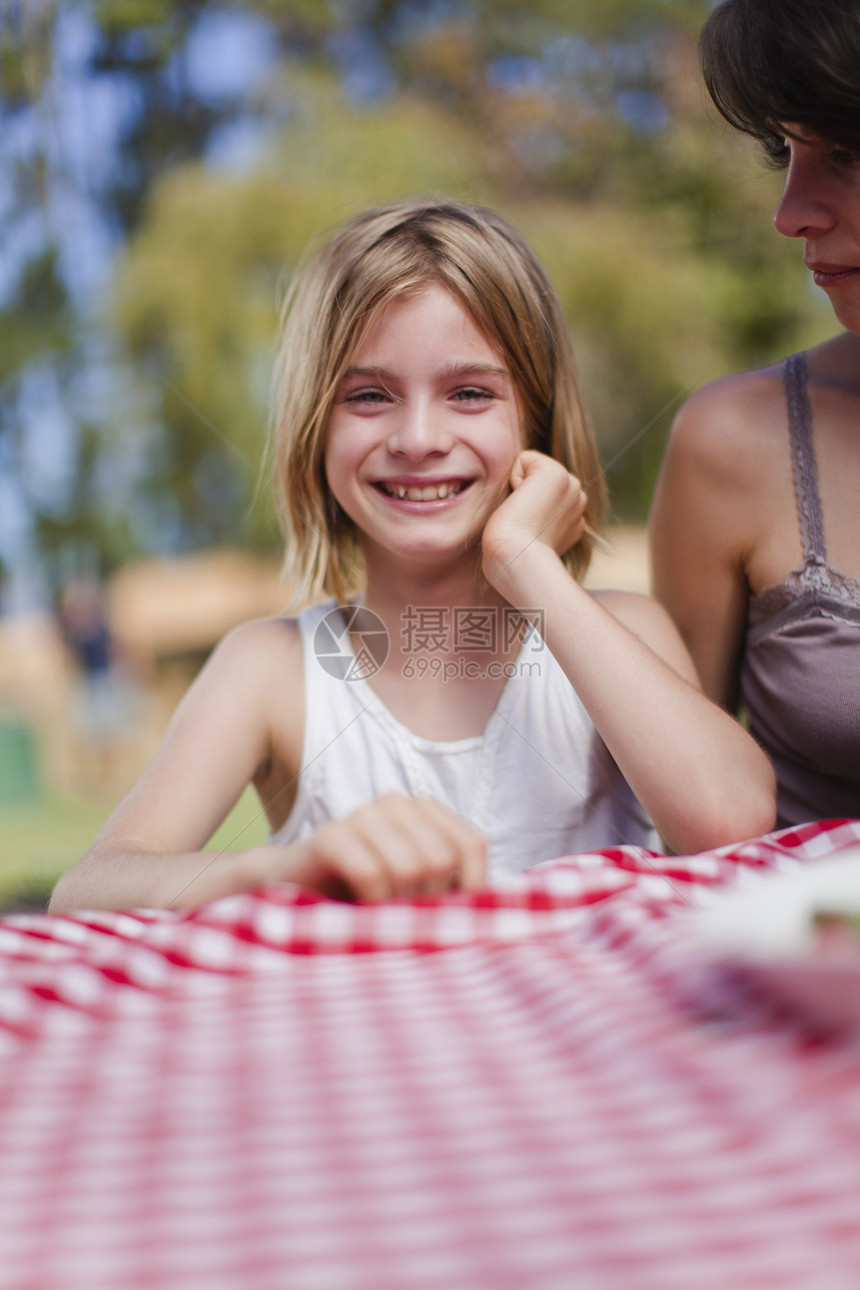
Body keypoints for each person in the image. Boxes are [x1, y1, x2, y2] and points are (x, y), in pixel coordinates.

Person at [50, 200, 775, 914]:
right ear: (314, 426)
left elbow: (728, 822)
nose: (419, 438)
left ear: (536, 418)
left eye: (468, 392)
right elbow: (86, 893)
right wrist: (279, 871)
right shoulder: (268, 670)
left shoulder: (625, 633)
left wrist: (525, 560)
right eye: (369, 395)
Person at [650, 0, 860, 827]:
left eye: (846, 152)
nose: (790, 213)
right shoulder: (735, 443)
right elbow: (684, 812)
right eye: (784, 150)